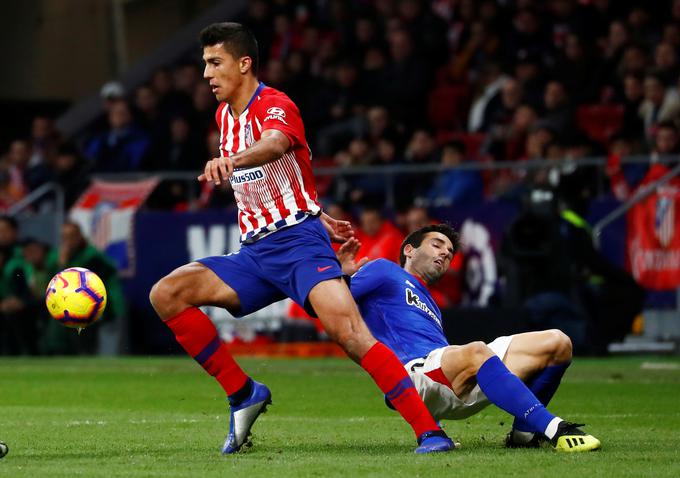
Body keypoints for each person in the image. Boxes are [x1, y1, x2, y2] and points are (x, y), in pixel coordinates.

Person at [148, 22, 453, 455]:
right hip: (256, 253)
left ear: (244, 63)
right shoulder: (222, 117)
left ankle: (431, 432)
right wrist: (316, 209)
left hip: (298, 247)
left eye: (215, 63)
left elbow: (276, 145)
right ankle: (243, 394)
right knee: (168, 293)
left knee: (351, 335)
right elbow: (282, 177)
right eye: (204, 64)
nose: (206, 74)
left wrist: (231, 161)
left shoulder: (275, 104)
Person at [337, 224, 601, 452]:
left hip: (451, 382)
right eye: (437, 244)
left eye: (450, 252)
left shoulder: (432, 303)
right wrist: (343, 276)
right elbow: (327, 303)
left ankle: (524, 434)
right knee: (476, 350)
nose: (445, 253)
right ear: (409, 250)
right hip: (411, 377)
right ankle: (556, 429)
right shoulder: (383, 270)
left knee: (558, 342)